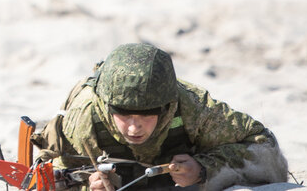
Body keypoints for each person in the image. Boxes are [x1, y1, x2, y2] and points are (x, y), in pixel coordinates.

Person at [31, 43, 289, 190]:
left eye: (147, 114)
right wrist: (88, 186)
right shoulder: (83, 119)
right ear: (106, 105)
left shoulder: (193, 108)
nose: (134, 128)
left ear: (167, 106)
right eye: (122, 114)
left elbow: (265, 151)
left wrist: (204, 170)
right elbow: (47, 178)